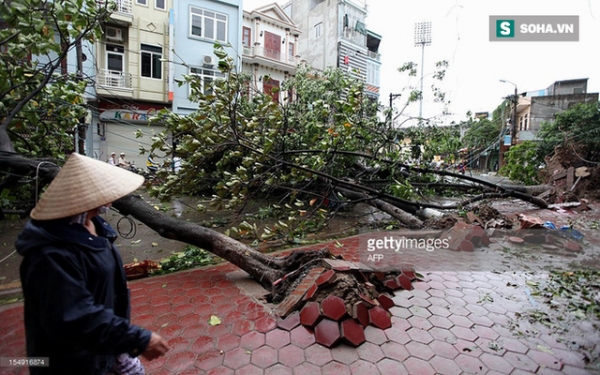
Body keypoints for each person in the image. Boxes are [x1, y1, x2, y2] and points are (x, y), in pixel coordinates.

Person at [16, 153, 170, 375]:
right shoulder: (49, 255)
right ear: (87, 198)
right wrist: (136, 339)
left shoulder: (95, 225)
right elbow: (74, 318)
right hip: (71, 364)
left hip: (102, 352)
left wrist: (119, 351)